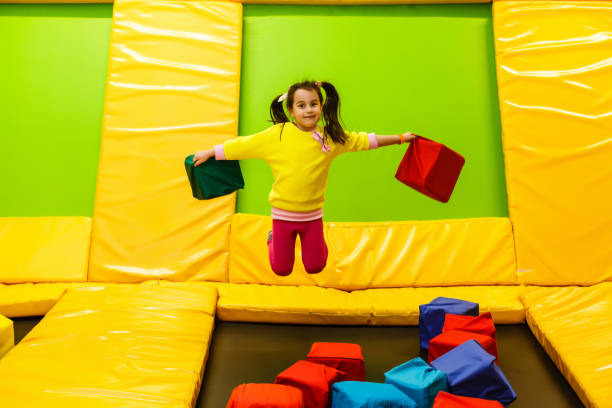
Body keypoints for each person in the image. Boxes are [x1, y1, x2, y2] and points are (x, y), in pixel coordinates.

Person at [193, 80, 415, 276]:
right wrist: (211, 152)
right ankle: (272, 238)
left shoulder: (330, 138)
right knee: (281, 269)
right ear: (291, 109)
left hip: (312, 217)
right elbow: (243, 145)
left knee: (315, 266)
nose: (308, 110)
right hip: (282, 216)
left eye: (313, 104)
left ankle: (316, 246)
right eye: (301, 105)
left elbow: (364, 141)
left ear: (321, 106)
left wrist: (400, 138)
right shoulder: (278, 134)